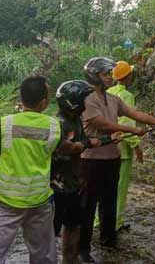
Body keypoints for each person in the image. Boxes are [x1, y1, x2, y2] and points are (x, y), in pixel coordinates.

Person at [0, 76, 86, 264]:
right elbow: (66, 149)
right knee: (43, 255)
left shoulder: (5, 124)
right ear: (44, 102)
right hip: (39, 201)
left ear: (22, 98)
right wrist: (81, 146)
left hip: (6, 200)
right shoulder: (54, 127)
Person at [78, 57, 155, 263]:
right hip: (91, 161)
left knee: (109, 201)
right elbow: (101, 123)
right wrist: (131, 129)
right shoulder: (87, 98)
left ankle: (109, 239)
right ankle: (82, 249)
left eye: (110, 74)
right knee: (88, 204)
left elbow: (134, 113)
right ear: (94, 76)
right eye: (105, 74)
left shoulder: (112, 99)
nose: (110, 77)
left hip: (112, 157)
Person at [51, 80, 106, 264]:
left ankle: (70, 259)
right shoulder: (59, 124)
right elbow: (66, 148)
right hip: (57, 187)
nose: (86, 104)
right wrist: (84, 144)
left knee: (74, 224)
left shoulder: (76, 121)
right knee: (51, 230)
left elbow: (82, 142)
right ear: (73, 102)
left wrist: (102, 140)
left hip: (73, 183)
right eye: (83, 100)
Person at [95, 60, 142, 232]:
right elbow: (126, 122)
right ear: (128, 76)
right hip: (122, 149)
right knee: (119, 188)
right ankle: (116, 223)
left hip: (106, 147)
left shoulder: (107, 92)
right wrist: (136, 145)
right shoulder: (126, 95)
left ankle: (97, 221)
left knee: (103, 187)